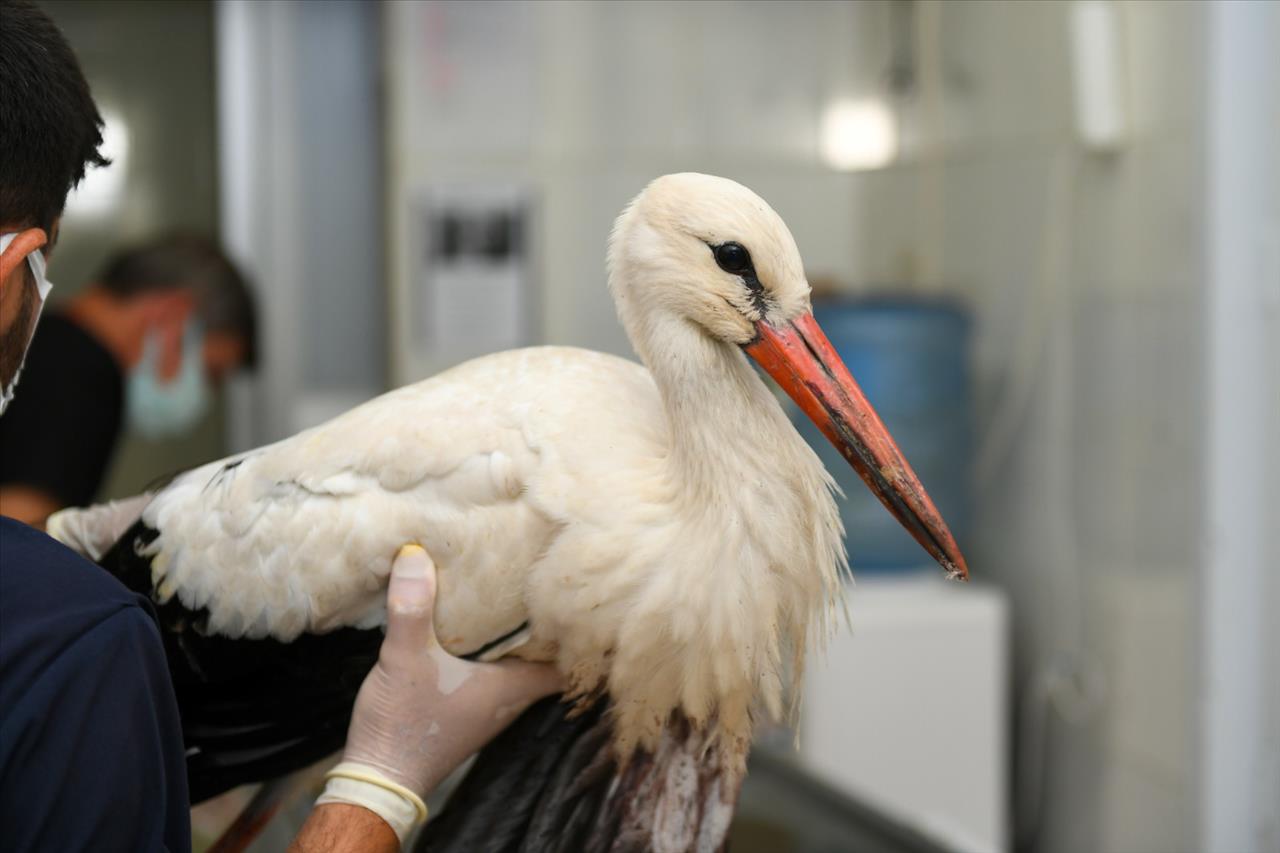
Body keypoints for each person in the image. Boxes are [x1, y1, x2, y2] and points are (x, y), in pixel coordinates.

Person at [0, 2, 561, 850]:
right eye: (212, 365)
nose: (199, 388)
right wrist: (381, 783)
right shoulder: (71, 649)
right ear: (12, 279)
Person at [0, 233, 257, 526]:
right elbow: (15, 540)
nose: (205, 397)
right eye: (211, 373)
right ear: (172, 314)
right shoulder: (84, 376)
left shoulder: (40, 341)